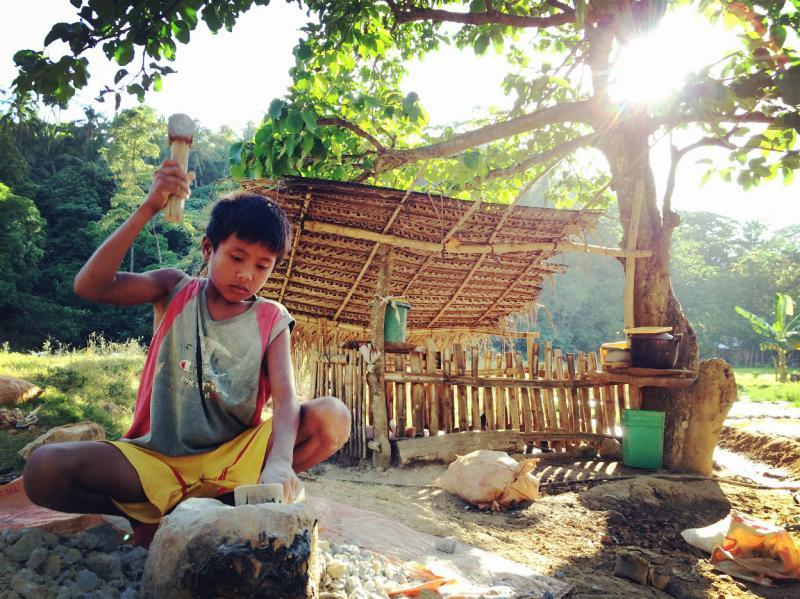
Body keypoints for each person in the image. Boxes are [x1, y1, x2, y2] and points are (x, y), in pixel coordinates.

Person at [22, 159, 350, 544]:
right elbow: (90, 285)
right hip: (155, 460)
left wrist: (278, 462)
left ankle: (231, 503)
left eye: (263, 265)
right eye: (237, 257)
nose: (247, 274)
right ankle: (155, 512)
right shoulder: (173, 289)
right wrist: (149, 206)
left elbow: (287, 398)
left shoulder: (271, 318)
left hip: (232, 463)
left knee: (333, 416)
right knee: (42, 470)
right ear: (208, 248)